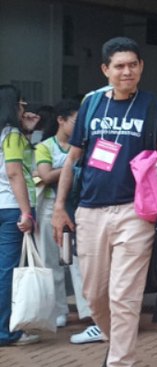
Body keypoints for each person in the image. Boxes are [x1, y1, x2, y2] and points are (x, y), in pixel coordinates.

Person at [51, 37, 157, 367]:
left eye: (133, 64)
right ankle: (115, 349)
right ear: (106, 70)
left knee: (124, 295)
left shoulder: (156, 106)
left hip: (136, 210)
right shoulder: (92, 103)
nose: (127, 71)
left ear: (141, 66)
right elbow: (72, 159)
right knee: (94, 294)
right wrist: (60, 207)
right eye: (119, 66)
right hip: (91, 211)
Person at [34, 98, 93, 330]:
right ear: (61, 120)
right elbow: (45, 176)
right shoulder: (45, 146)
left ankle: (88, 310)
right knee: (52, 263)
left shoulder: (85, 145)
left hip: (80, 207)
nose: (81, 127)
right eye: (76, 121)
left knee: (80, 261)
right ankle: (59, 310)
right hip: (50, 209)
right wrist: (73, 166)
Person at [0, 85, 41, 346]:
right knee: (8, 272)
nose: (24, 108)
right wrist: (26, 212)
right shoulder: (10, 134)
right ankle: (5, 332)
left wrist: (27, 130)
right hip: (12, 206)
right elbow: (15, 172)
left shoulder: (12, 133)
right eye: (21, 103)